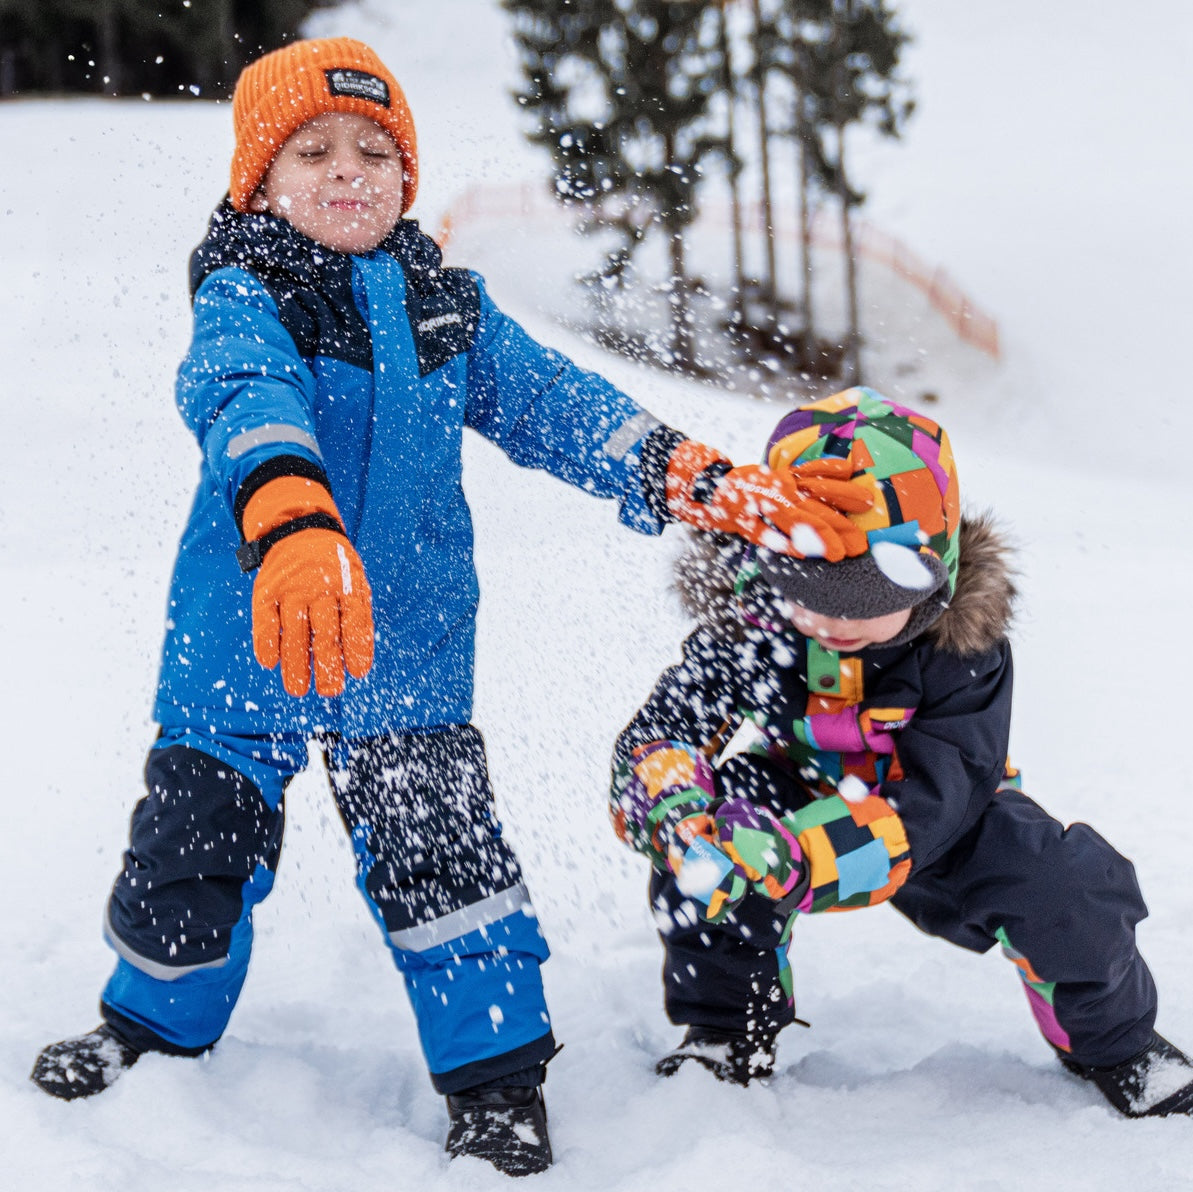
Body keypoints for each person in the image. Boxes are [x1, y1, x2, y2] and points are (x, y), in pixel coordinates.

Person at [27, 37, 874, 1177]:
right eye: (313, 150)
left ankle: (496, 1078)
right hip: (247, 632)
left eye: (376, 152)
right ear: (257, 181)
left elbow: (564, 409)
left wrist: (697, 479)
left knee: (448, 864)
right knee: (192, 846)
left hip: (405, 651)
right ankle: (149, 1021)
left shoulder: (449, 312)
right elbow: (242, 396)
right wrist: (293, 522)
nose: (347, 172)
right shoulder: (246, 292)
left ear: (408, 179)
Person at [610, 386, 1193, 1119]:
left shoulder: (963, 648)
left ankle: (1115, 1045)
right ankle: (727, 1030)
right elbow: (663, 731)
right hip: (792, 784)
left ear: (934, 575)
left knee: (1066, 887)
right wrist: (674, 805)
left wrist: (802, 857)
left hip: (936, 811)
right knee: (708, 857)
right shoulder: (747, 625)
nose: (831, 618)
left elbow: (945, 786)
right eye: (806, 585)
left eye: (863, 594)